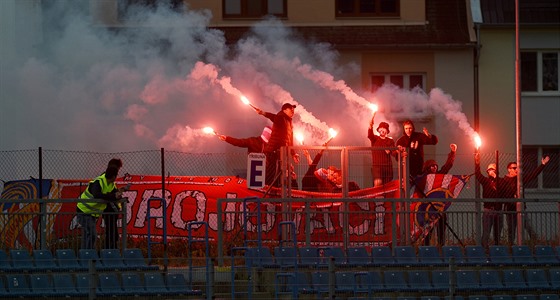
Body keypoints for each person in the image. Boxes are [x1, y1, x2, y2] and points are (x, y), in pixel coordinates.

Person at [501, 156, 550, 245]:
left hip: (521, 209)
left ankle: (535, 246)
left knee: (529, 228)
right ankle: (511, 248)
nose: (516, 170)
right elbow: (502, 194)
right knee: (511, 231)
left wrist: (542, 165)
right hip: (510, 210)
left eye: (517, 168)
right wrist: (512, 197)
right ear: (509, 169)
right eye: (514, 168)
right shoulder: (504, 180)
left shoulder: (520, 179)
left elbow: (533, 175)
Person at [414, 143, 457, 246]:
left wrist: (453, 153)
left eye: (435, 166)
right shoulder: (423, 178)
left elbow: (447, 166)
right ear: (427, 167)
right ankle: (426, 251)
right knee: (428, 232)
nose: (434, 168)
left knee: (441, 230)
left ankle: (441, 248)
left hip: (439, 207)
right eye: (432, 166)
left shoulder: (439, 177)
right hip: (427, 209)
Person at [77, 166, 122, 249]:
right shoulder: (98, 182)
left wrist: (118, 195)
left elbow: (115, 194)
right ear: (113, 176)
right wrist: (113, 196)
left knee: (88, 235)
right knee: (92, 234)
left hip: (92, 213)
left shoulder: (111, 185)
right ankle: (88, 255)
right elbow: (96, 195)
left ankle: (85, 255)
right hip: (84, 211)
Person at [255, 103, 300, 186]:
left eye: (293, 110)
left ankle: (275, 190)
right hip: (273, 151)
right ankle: (265, 190)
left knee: (279, 172)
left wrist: (293, 153)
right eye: (291, 110)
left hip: (281, 152)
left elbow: (290, 140)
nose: (293, 112)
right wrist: (263, 113)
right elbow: (273, 117)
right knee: (271, 172)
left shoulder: (289, 123)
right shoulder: (280, 117)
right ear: (285, 110)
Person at [474, 154, 503, 248]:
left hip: (498, 210)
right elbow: (478, 174)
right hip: (488, 210)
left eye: (493, 169)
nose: (491, 171)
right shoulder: (486, 181)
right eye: (489, 170)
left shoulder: (501, 181)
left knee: (497, 233)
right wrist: (477, 162)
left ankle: (497, 249)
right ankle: (484, 249)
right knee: (486, 232)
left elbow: (503, 190)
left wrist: (496, 178)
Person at [367, 112, 397, 187]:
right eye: (381, 128)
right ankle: (377, 198)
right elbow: (370, 135)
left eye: (384, 129)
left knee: (386, 186)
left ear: (387, 131)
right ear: (378, 129)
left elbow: (394, 153)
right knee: (378, 183)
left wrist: (392, 151)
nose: (382, 130)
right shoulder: (375, 139)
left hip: (387, 166)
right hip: (377, 166)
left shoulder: (390, 140)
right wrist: (370, 126)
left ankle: (385, 198)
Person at [103, 158, 124, 249]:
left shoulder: (111, 181)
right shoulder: (105, 179)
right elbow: (104, 194)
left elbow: (113, 193)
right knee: (111, 233)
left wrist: (119, 193)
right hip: (108, 211)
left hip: (112, 210)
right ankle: (109, 252)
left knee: (113, 234)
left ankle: (112, 251)